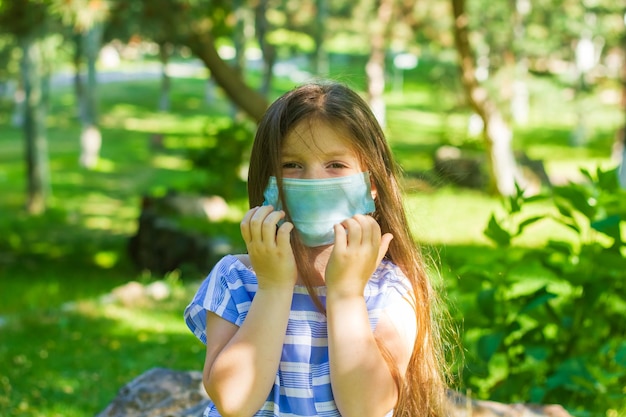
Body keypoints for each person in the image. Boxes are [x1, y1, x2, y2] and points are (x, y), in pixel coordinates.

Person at [184, 81, 449, 417]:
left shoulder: (389, 288)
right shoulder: (236, 278)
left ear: (371, 184)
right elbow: (234, 402)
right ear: (266, 182)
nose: (313, 181)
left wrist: (346, 294)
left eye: (335, 165)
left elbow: (366, 408)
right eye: (291, 165)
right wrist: (273, 286)